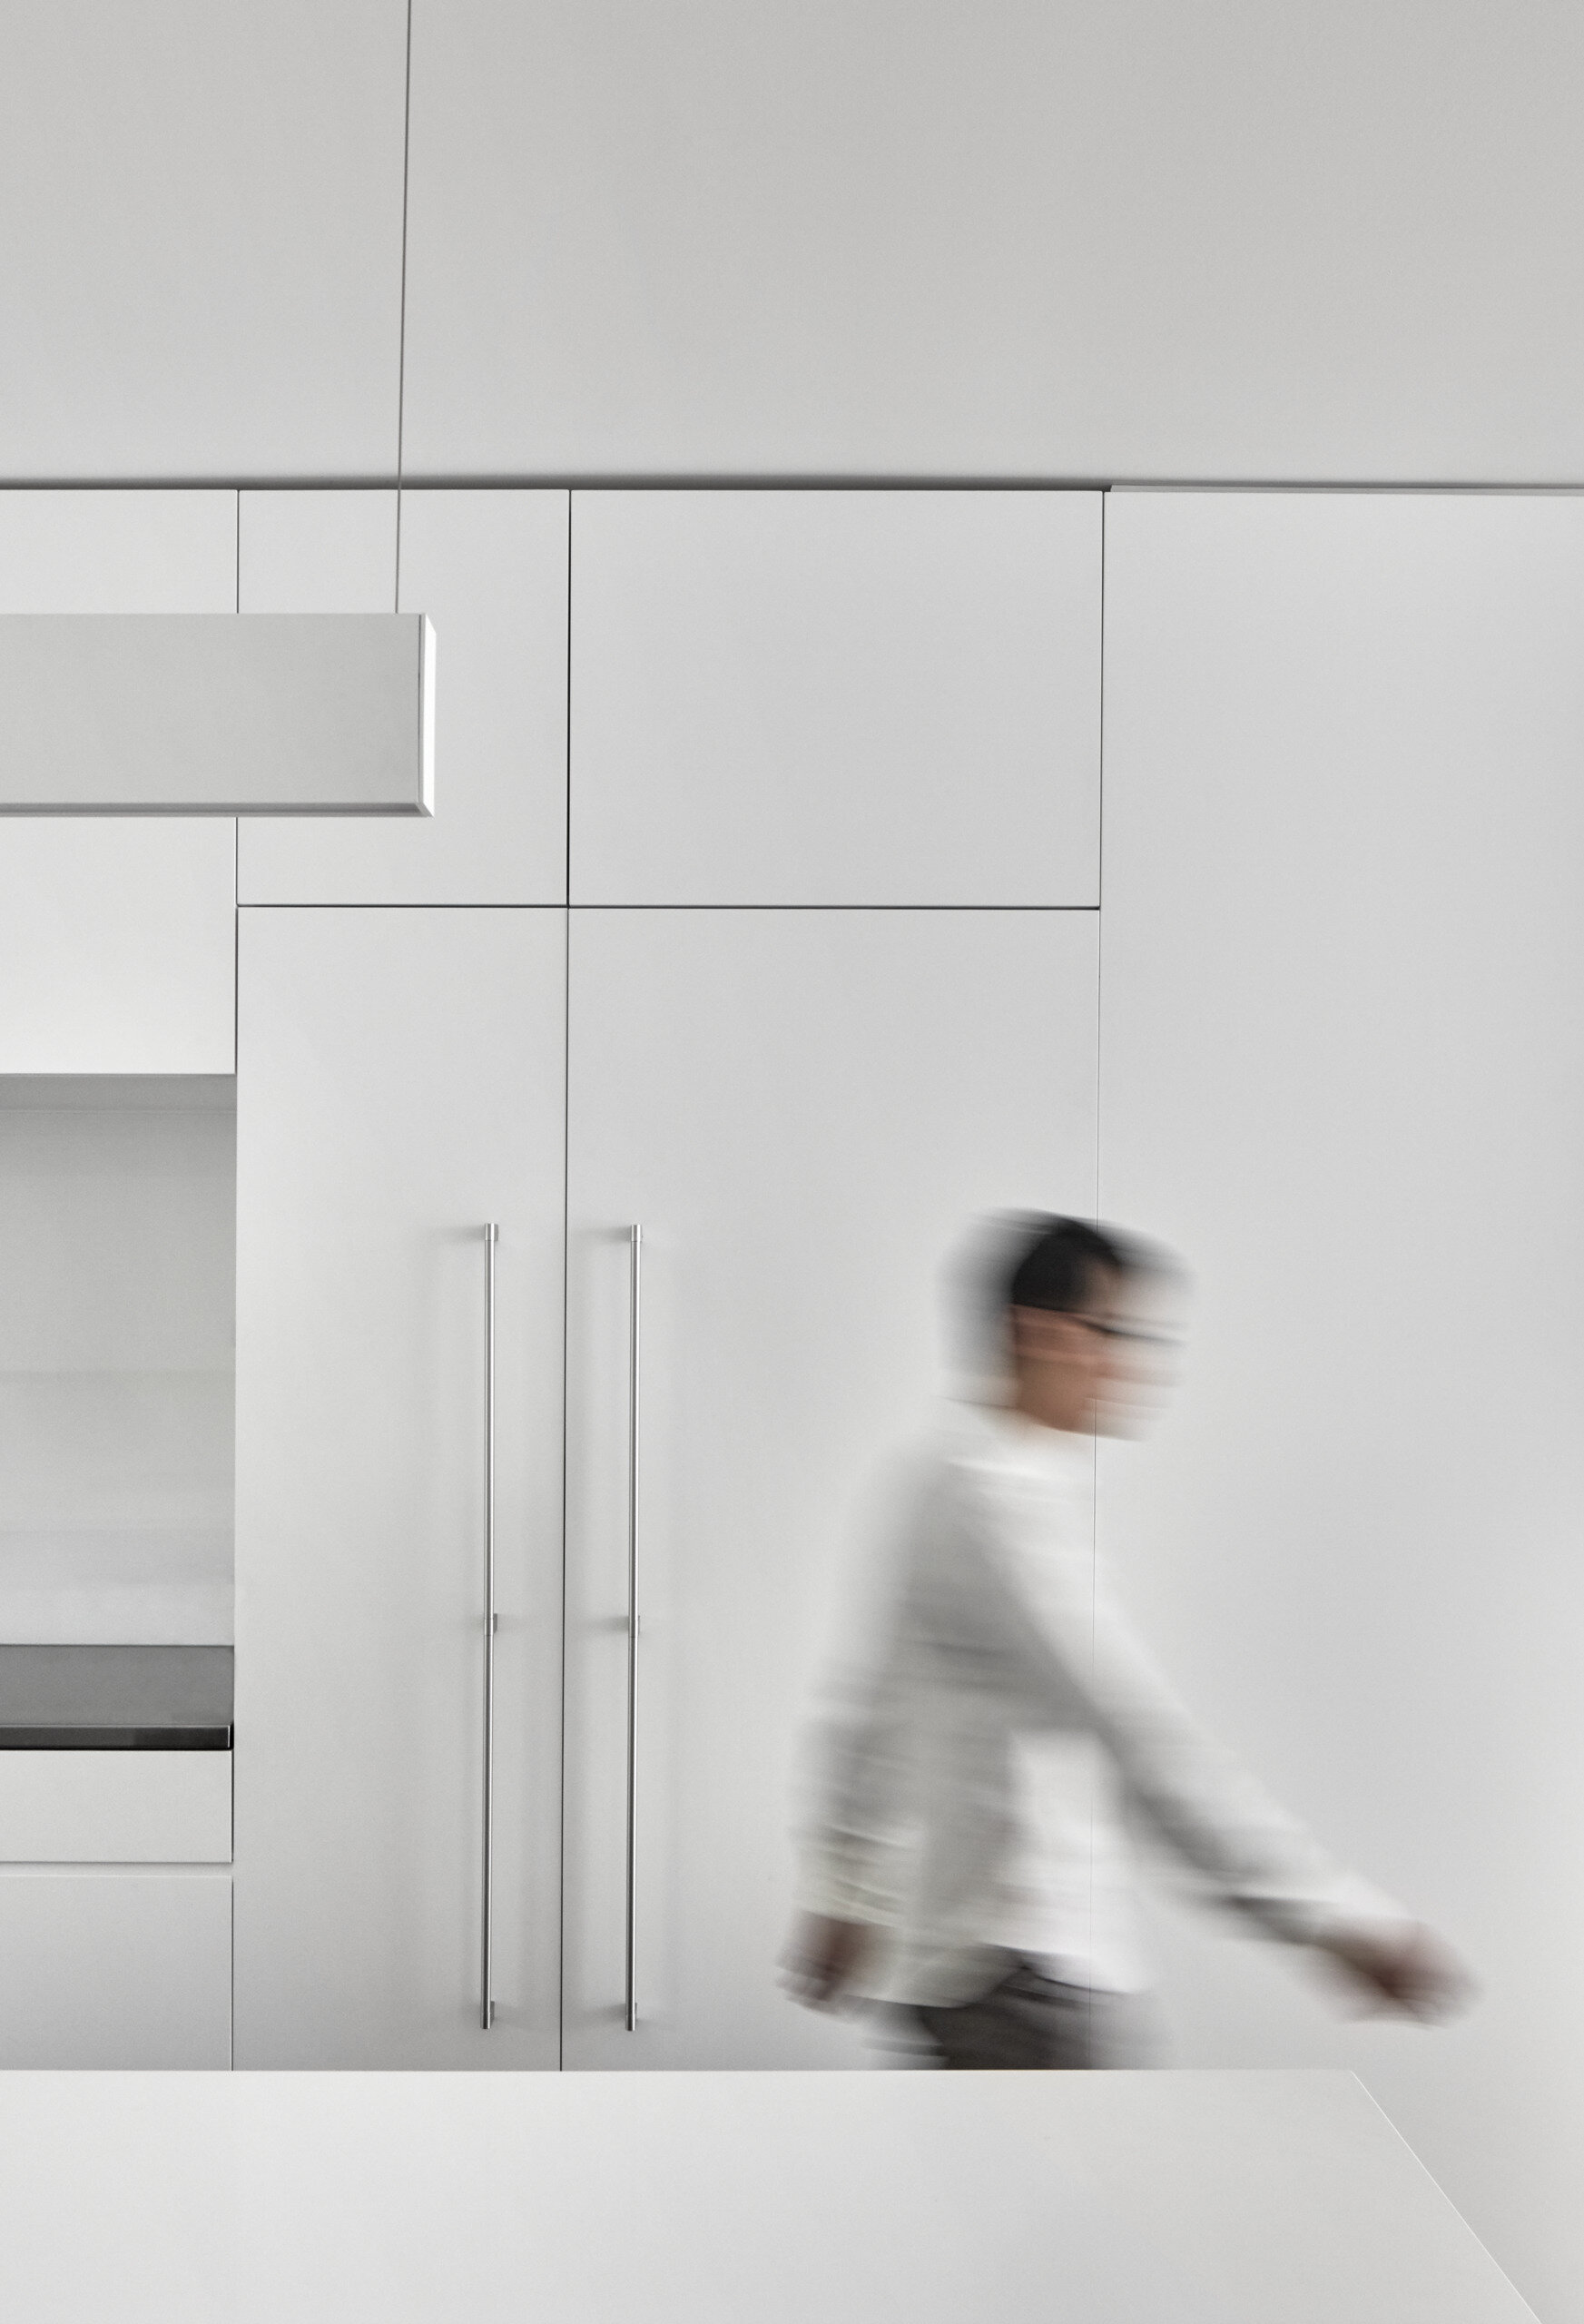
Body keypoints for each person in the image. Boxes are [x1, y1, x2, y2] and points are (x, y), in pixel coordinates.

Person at [782, 1215, 1469, 2069]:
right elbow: (1136, 1733)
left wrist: (846, 1889)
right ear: (1037, 1332)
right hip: (1021, 1972)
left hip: (974, 1970)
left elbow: (873, 1715)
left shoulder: (952, 1486)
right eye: (1115, 1334)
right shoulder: (997, 1508)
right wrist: (1332, 1918)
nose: (1135, 1364)